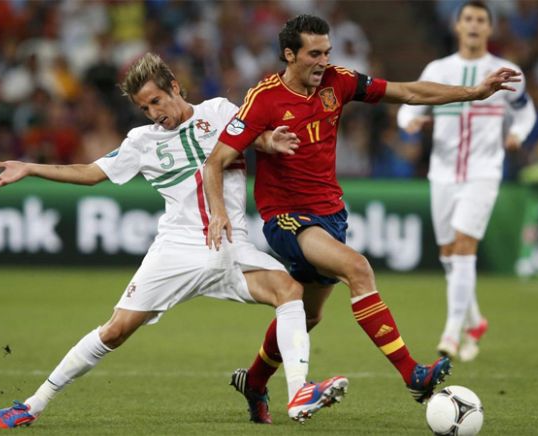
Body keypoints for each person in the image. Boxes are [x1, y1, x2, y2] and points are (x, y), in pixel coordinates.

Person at [0, 53, 348, 429]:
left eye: (156, 101)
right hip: (177, 250)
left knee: (290, 291)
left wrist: (273, 140)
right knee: (115, 330)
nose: (153, 113)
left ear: (175, 87)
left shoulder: (219, 111)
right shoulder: (141, 142)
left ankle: (299, 392)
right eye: (145, 108)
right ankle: (32, 405)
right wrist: (30, 168)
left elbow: (256, 137)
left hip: (229, 246)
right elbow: (90, 173)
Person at [203, 14, 521, 423]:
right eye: (314, 54)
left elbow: (408, 91)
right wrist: (219, 210)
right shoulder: (264, 98)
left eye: (327, 52)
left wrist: (473, 93)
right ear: (289, 54)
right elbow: (216, 162)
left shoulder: (339, 81)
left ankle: (255, 381)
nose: (323, 61)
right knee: (358, 268)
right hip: (287, 218)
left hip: (330, 214)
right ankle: (413, 374)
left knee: (308, 314)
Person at [397, 1, 536, 362]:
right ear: (457, 26)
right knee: (449, 253)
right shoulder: (439, 70)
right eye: (468, 19)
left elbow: (525, 111)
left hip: (483, 172)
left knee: (462, 246)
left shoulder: (505, 72)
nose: (474, 25)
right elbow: (409, 104)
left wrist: (517, 133)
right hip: (442, 173)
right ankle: (475, 321)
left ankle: (451, 332)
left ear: (490, 28)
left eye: (481, 20)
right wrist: (411, 122)